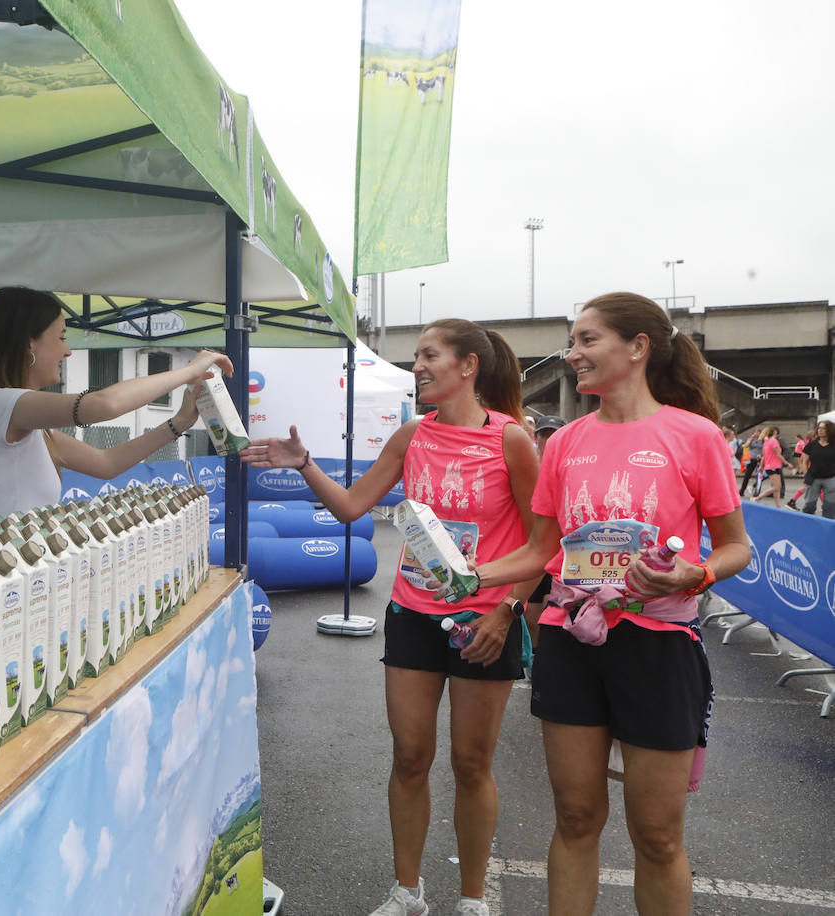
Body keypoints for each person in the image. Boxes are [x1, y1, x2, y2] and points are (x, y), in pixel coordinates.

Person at [243, 319, 539, 916]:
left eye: (430, 355)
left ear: (468, 366)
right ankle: (408, 893)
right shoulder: (411, 436)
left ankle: (475, 899)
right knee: (409, 757)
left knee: (472, 764)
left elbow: (542, 543)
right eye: (417, 356)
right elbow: (353, 505)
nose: (419, 366)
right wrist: (304, 465)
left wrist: (507, 613)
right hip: (412, 613)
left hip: (485, 624)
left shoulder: (512, 441)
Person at [466, 292, 749, 916]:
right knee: (574, 816)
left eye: (587, 340)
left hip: (659, 645)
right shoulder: (565, 441)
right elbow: (541, 550)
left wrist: (692, 574)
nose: (573, 355)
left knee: (656, 835)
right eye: (573, 342)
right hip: (571, 639)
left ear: (638, 348)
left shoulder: (695, 436)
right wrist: (470, 576)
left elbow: (736, 548)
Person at [0, 287, 232, 521]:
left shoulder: (29, 423)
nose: (68, 350)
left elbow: (106, 463)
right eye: (62, 337)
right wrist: (188, 371)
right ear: (30, 343)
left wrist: (179, 423)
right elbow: (105, 404)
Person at [525, 415, 568, 644]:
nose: (548, 439)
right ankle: (534, 660)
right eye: (544, 434)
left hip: (561, 553)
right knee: (530, 617)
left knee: (549, 613)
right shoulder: (527, 467)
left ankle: (541, 662)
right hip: (533, 550)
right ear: (536, 438)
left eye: (553, 434)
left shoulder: (571, 468)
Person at [800, 420, 835, 518]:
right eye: (819, 428)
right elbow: (804, 462)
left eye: (823, 428)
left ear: (830, 430)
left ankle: (828, 528)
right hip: (813, 478)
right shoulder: (811, 445)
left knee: (830, 507)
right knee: (809, 506)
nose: (820, 430)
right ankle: (807, 525)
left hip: (831, 479)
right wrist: (806, 475)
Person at [753, 426, 795, 507]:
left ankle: (778, 505)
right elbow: (777, 454)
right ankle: (758, 498)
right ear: (775, 432)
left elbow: (764, 456)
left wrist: (761, 467)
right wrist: (786, 463)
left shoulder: (766, 442)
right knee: (776, 487)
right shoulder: (774, 441)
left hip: (771, 466)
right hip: (774, 466)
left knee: (777, 487)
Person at [737, 429, 763, 496]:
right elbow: (746, 445)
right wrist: (751, 438)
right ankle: (742, 490)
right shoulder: (751, 439)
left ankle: (756, 492)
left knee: (759, 476)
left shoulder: (763, 440)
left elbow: (764, 449)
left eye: (759, 433)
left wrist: (761, 455)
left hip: (759, 459)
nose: (757, 434)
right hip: (751, 458)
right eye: (756, 432)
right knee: (747, 476)